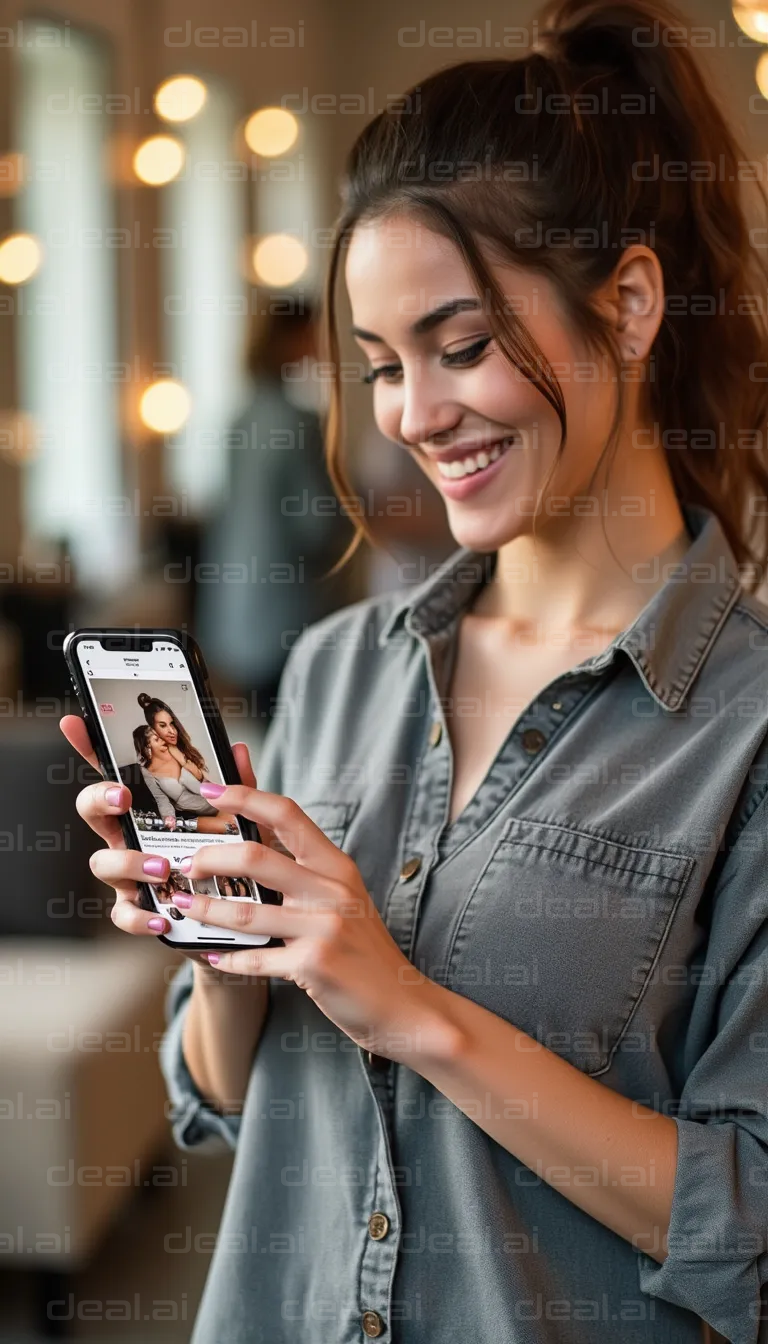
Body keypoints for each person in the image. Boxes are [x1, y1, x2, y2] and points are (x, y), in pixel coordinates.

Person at [61, 2, 768, 1340]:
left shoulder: (746, 733)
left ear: (627, 305)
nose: (412, 417)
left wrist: (412, 1009)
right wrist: (223, 938)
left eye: (460, 348)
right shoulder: (338, 668)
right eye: (382, 366)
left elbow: (752, 1229)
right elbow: (217, 1100)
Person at [194, 295, 351, 722]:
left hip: (238, 606)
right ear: (293, 338)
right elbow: (316, 525)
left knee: (267, 726)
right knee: (303, 729)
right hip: (289, 610)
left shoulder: (241, 419)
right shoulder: (299, 423)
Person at [132, 725, 237, 835]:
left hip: (220, 802)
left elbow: (204, 777)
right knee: (231, 827)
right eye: (156, 739)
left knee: (239, 816)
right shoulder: (147, 771)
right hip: (195, 815)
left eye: (161, 736)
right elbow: (161, 799)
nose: (163, 740)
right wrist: (169, 818)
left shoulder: (176, 752)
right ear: (147, 746)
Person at [137, 692, 208, 780]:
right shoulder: (152, 767)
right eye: (163, 725)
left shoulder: (185, 749)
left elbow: (205, 780)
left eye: (172, 724)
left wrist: (180, 757)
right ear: (153, 729)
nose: (172, 731)